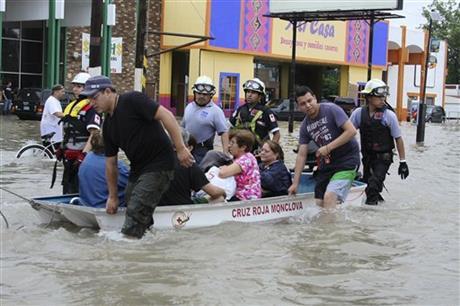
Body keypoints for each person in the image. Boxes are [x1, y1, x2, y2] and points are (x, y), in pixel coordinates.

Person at [83, 75, 194, 238]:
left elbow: (167, 116)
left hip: (160, 163)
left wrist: (181, 148)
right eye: (88, 99)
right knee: (130, 201)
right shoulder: (108, 126)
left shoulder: (132, 100)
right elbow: (110, 164)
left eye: (94, 97)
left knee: (136, 208)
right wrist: (112, 197)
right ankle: (148, 239)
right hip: (138, 168)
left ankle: (130, 247)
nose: (91, 103)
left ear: (108, 91)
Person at [288, 86, 360, 209]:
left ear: (315, 98)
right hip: (327, 164)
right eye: (303, 104)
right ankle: (324, 228)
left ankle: (331, 228)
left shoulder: (331, 109)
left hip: (347, 160)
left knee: (329, 196)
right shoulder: (305, 126)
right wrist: (295, 183)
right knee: (319, 203)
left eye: (309, 101)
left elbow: (352, 131)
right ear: (299, 107)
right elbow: (301, 155)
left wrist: (328, 148)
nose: (308, 105)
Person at [350, 79, 409, 205]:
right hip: (367, 158)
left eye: (384, 96)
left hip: (383, 159)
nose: (383, 99)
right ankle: (381, 209)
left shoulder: (389, 116)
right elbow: (348, 134)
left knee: (372, 186)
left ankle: (369, 220)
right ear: (369, 97)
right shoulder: (358, 114)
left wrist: (403, 162)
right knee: (368, 187)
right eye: (379, 96)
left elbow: (398, 138)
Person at [59, 72, 102, 194]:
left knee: (80, 190)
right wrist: (62, 148)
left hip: (82, 158)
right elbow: (68, 131)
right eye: (74, 86)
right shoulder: (72, 106)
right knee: (68, 188)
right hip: (69, 157)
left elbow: (94, 134)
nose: (75, 89)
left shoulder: (91, 108)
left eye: (79, 86)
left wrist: (84, 155)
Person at [160, 129, 226, 205]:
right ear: (184, 145)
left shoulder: (153, 161)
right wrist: (223, 192)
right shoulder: (188, 164)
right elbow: (214, 192)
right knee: (220, 198)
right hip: (184, 210)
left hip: (154, 208)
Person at [181, 75, 229, 164]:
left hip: (203, 151)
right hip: (186, 148)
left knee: (200, 174)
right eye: (199, 93)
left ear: (211, 95)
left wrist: (225, 153)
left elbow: (224, 132)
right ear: (194, 93)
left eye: (205, 94)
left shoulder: (216, 111)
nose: (201, 96)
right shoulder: (189, 107)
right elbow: (182, 128)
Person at [78, 130, 129, 208]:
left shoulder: (87, 158)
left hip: (86, 203)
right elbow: (134, 183)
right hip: (106, 205)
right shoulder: (116, 165)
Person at [229, 78, 280, 153]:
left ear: (260, 96)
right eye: (248, 92)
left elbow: (277, 134)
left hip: (258, 153)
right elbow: (228, 129)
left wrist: (269, 151)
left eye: (253, 93)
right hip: (241, 153)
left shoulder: (266, 112)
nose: (249, 95)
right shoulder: (240, 110)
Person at [219, 129, 261, 201]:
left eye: (232, 143)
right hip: (239, 195)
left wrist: (224, 168)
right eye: (229, 142)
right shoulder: (240, 158)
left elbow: (222, 173)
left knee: (217, 198)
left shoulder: (246, 159)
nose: (229, 146)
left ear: (243, 147)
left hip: (246, 198)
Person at [40, 84, 65, 149]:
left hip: (55, 131)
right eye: (62, 91)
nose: (63, 93)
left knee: (54, 151)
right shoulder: (52, 101)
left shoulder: (56, 101)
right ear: (56, 92)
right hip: (51, 130)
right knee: (50, 151)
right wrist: (69, 116)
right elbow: (57, 113)